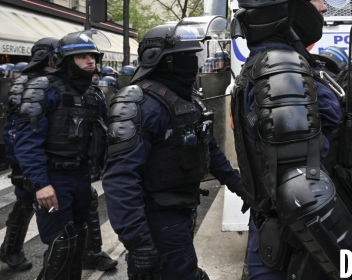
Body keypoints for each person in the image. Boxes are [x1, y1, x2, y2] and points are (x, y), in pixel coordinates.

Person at [230, 0, 352, 279]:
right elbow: (303, 192)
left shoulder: (275, 64)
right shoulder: (280, 70)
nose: (323, 6)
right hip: (304, 248)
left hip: (293, 243)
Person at [102, 22, 243, 280]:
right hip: (156, 219)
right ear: (161, 59)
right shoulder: (137, 103)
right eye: (185, 56)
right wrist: (139, 243)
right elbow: (121, 179)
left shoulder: (186, 99)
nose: (192, 62)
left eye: (194, 55)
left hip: (182, 210)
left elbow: (207, 147)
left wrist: (239, 186)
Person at [13, 31, 109, 279]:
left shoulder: (93, 94)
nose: (91, 62)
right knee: (61, 244)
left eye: (93, 57)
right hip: (54, 178)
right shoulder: (43, 89)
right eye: (83, 57)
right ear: (66, 60)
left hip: (82, 176)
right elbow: (26, 142)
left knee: (77, 242)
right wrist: (41, 183)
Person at [0, 37, 58, 271]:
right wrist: (19, 166)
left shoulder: (49, 80)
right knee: (26, 202)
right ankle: (11, 249)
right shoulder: (25, 84)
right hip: (31, 156)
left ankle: (89, 251)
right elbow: (14, 130)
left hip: (53, 153)